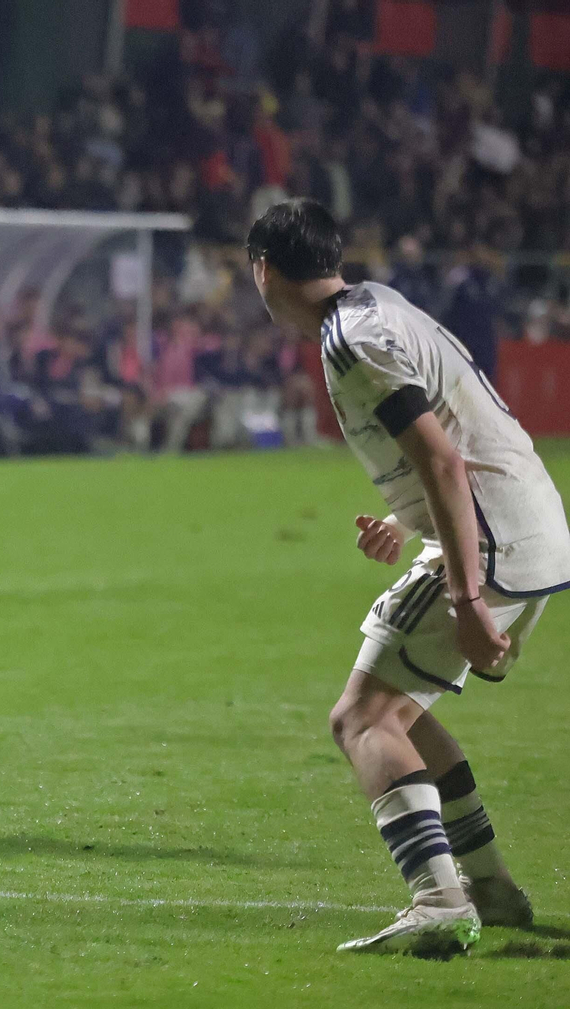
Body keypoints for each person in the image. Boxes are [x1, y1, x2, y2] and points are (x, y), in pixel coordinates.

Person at [247, 199, 569, 955]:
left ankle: (438, 898)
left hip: (491, 541)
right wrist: (404, 521)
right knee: (406, 713)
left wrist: (462, 595)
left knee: (361, 717)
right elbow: (459, 426)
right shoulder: (377, 305)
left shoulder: (350, 342)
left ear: (264, 270)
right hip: (530, 526)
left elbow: (443, 458)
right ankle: (489, 886)